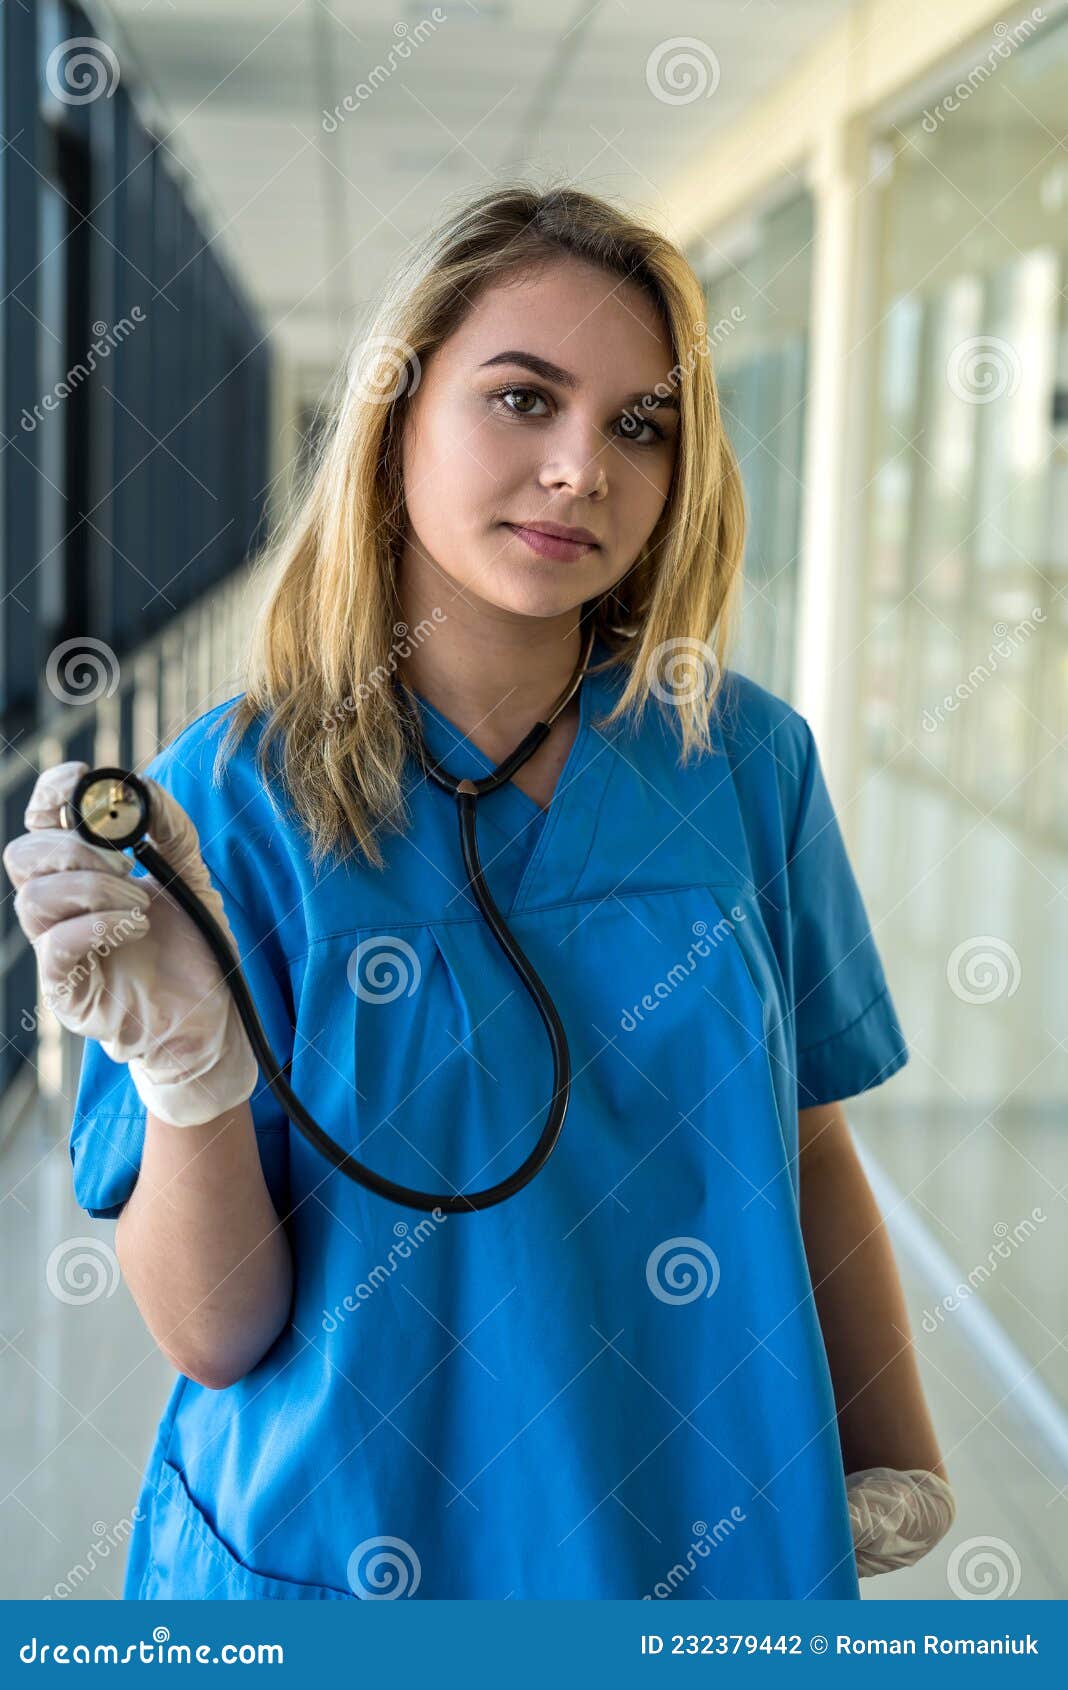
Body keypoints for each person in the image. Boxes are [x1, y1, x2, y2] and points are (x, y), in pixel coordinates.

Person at [3, 183, 954, 1601]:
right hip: (353, 1545)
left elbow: (810, 1145)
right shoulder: (233, 798)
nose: (584, 467)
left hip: (698, 1535)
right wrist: (187, 1076)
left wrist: (894, 1450)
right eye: (524, 399)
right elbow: (216, 1332)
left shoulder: (742, 757)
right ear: (395, 417)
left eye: (642, 422)